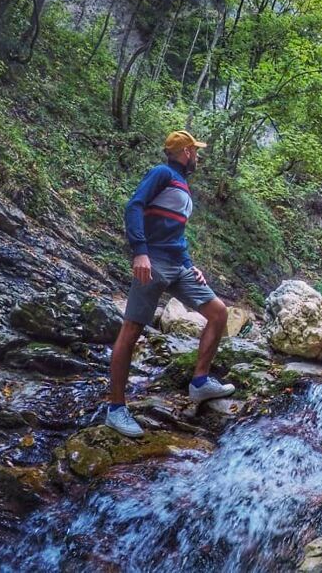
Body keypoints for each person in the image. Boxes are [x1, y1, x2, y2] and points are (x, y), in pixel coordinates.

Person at [106, 130, 234, 437]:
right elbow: (134, 206)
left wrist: (191, 266)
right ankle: (116, 408)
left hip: (178, 265)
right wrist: (140, 252)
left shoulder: (183, 185)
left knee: (218, 313)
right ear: (187, 152)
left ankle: (200, 382)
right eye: (196, 152)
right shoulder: (162, 173)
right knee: (132, 329)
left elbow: (176, 233)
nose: (199, 157)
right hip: (153, 262)